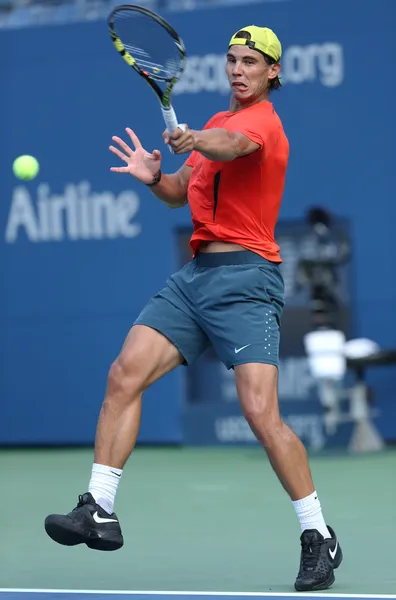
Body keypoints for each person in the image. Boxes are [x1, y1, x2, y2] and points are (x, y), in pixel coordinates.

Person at [44, 25, 343, 591]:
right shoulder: (220, 122)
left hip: (248, 279)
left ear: (272, 72)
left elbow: (230, 147)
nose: (238, 70)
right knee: (123, 375)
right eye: (232, 60)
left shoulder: (260, 125)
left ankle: (317, 534)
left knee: (261, 414)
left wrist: (196, 138)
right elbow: (181, 191)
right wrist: (155, 177)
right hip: (195, 278)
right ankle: (99, 509)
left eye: (251, 62)